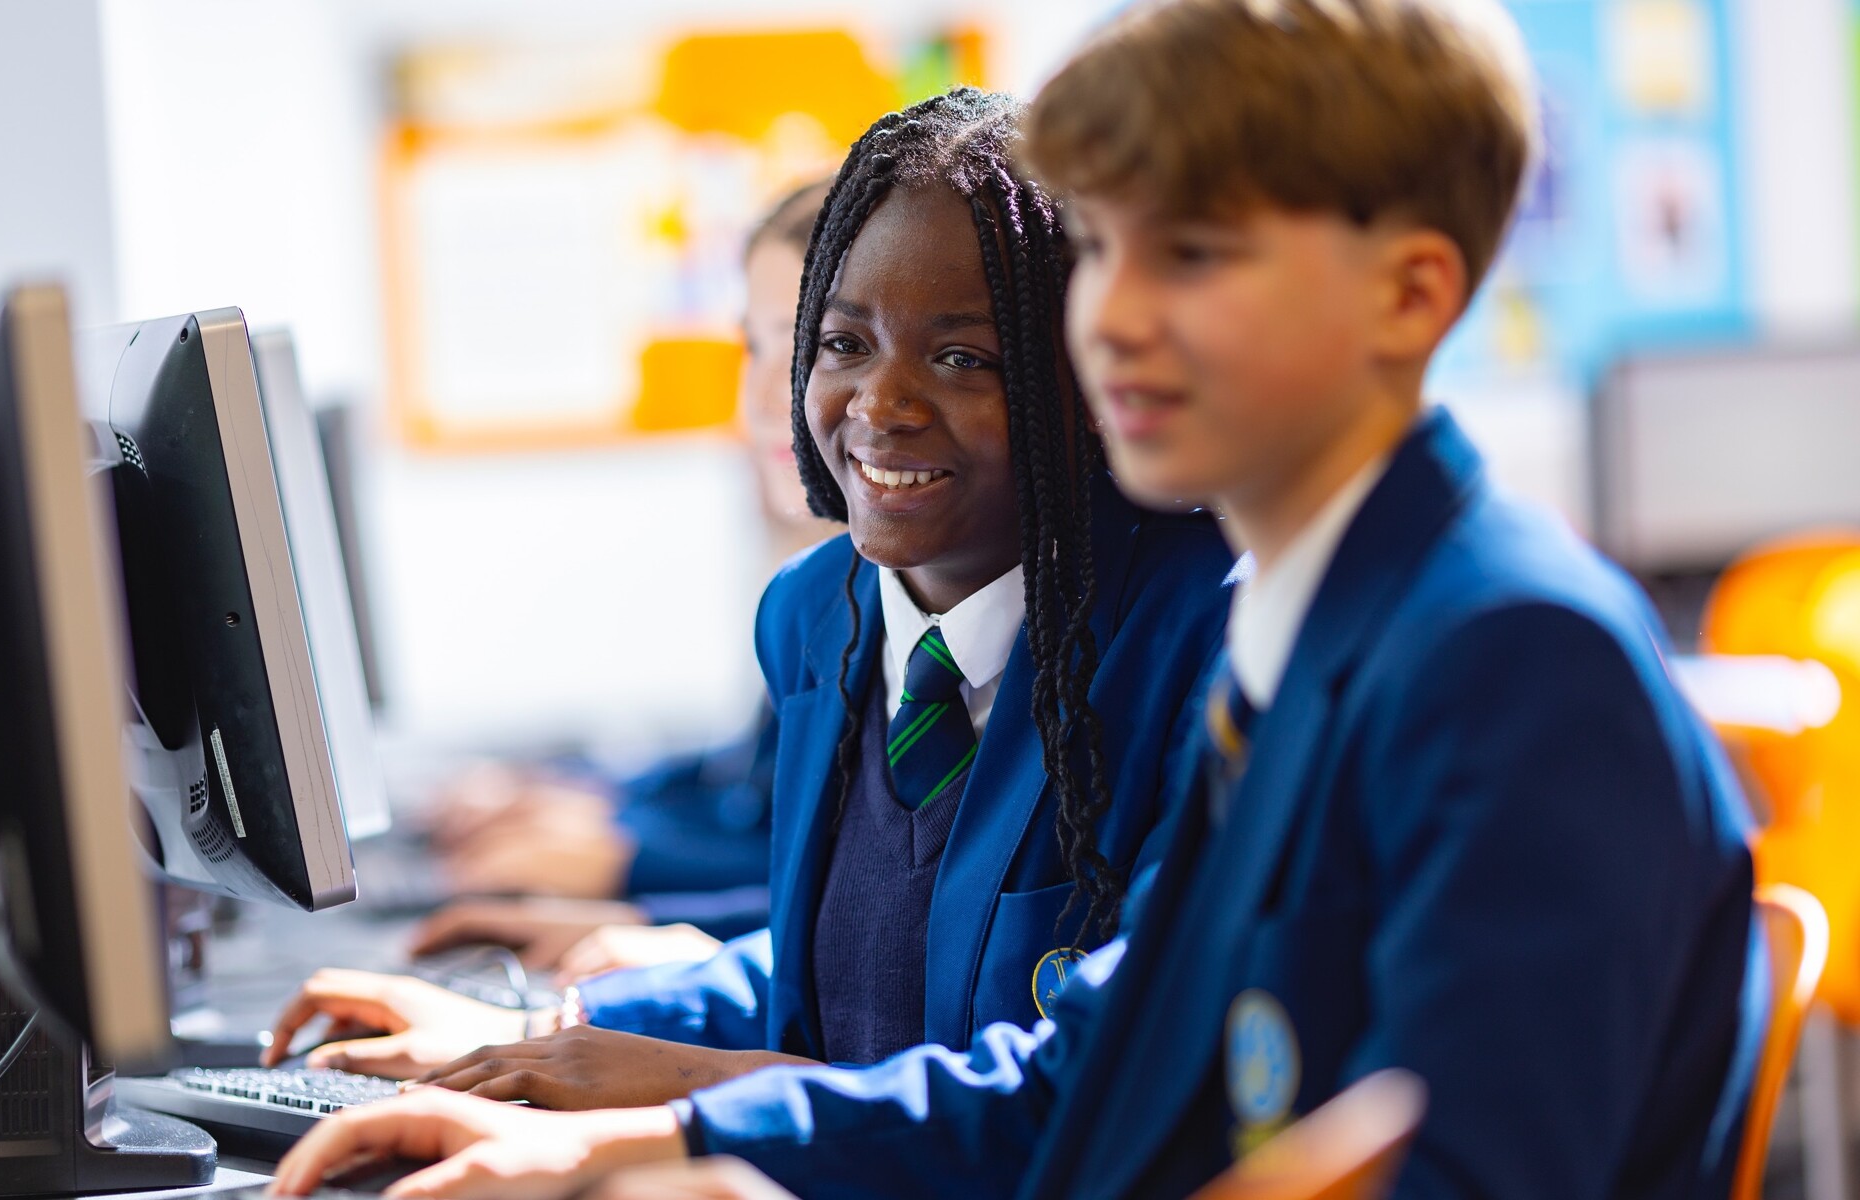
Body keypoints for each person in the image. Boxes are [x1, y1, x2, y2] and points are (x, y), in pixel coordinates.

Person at [268, 3, 1762, 1198]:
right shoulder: (1310, 635)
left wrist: (669, 1141)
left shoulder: (1506, 660)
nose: (1112, 318)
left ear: (1411, 294)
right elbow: (1089, 1081)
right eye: (1101, 249)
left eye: (1193, 254)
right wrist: (650, 1139)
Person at [266, 87, 1236, 1102]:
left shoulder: (1205, 642)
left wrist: (683, 1108)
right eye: (843, 344)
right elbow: (847, 976)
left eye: (961, 357)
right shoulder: (818, 614)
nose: (879, 405)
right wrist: (557, 1030)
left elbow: (1084, 1085)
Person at [406, 181, 840, 970]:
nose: (759, 397)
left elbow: (834, 883)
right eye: (755, 349)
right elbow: (743, 788)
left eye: (815, 349)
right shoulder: (822, 596)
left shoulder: (921, 616)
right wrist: (592, 804)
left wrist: (627, 871)